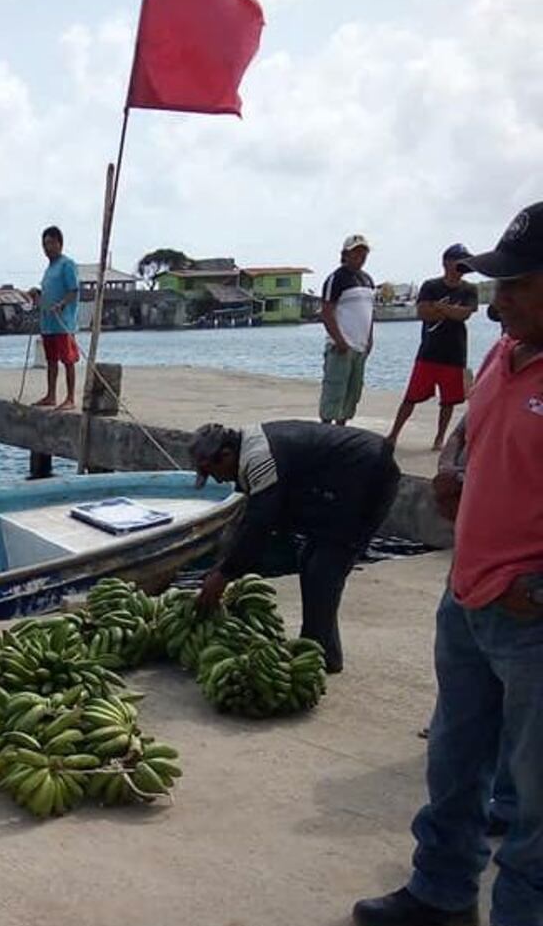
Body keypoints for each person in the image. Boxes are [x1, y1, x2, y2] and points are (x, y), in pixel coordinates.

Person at [353, 201, 543, 926]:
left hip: (530, 611)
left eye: (516, 286)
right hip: (467, 593)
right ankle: (442, 888)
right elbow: (469, 422)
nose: (494, 302)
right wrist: (454, 468)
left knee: (534, 788)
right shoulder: (506, 351)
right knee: (454, 759)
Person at [191, 419, 400, 674]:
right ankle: (313, 645)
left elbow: (259, 523)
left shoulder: (259, 458)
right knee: (310, 558)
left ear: (225, 455)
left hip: (366, 475)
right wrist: (221, 565)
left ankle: (322, 653)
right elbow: (248, 519)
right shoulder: (251, 449)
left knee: (324, 566)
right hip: (340, 483)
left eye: (213, 472)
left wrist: (224, 575)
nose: (219, 480)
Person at [387, 244, 479, 450]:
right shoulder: (430, 285)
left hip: (455, 352)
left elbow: (465, 314)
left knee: (448, 401)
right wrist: (451, 311)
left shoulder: (469, 289)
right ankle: (393, 434)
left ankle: (439, 438)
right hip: (429, 351)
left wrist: (440, 307)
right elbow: (423, 313)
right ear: (447, 262)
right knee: (411, 396)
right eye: (458, 261)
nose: (462, 266)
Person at [319, 234, 376, 425]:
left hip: (360, 346)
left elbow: (369, 313)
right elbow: (327, 312)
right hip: (341, 346)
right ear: (346, 254)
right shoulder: (336, 279)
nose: (360, 257)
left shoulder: (368, 280)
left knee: (352, 393)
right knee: (334, 391)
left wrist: (370, 339)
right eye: (356, 253)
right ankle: (326, 431)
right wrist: (340, 340)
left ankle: (342, 429)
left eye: (363, 253)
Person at [34, 224, 80, 410]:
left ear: (60, 244)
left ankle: (70, 398)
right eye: (45, 244)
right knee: (51, 360)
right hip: (48, 323)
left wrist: (61, 304)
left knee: (68, 360)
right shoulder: (49, 269)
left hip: (63, 323)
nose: (48, 248)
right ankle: (51, 395)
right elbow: (48, 292)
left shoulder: (67, 264)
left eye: (51, 243)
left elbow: (73, 290)